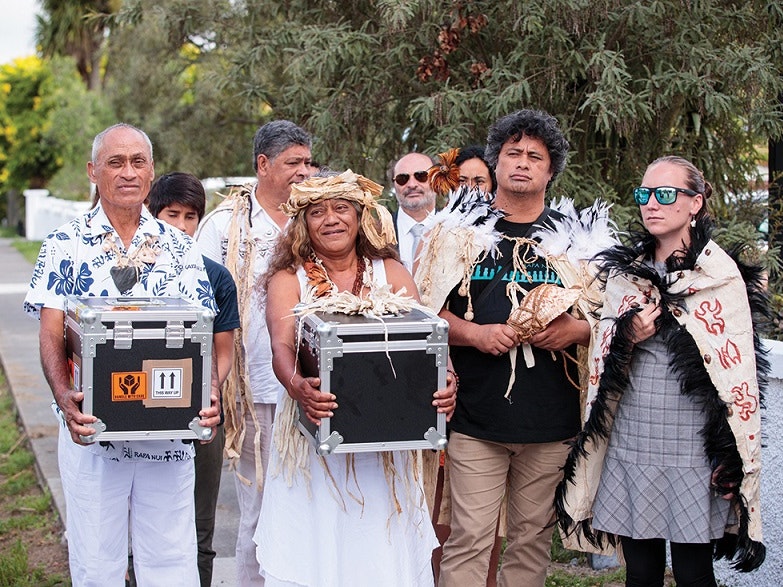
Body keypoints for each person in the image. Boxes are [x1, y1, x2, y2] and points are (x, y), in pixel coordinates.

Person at [24, 123, 221, 586]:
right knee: (97, 561)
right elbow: (51, 332)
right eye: (115, 162)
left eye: (137, 162)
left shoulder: (180, 248)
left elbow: (202, 333)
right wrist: (62, 395)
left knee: (171, 560)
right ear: (94, 171)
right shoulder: (63, 244)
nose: (127, 172)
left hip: (168, 431)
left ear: (151, 173)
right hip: (92, 429)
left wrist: (209, 392)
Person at [556, 156, 768, 585]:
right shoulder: (626, 275)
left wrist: (729, 453)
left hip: (693, 448)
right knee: (641, 571)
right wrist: (626, 334)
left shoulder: (720, 278)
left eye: (666, 194)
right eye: (644, 194)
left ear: (695, 203)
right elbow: (601, 353)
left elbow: (738, 371)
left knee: (693, 572)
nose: (651, 203)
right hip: (634, 439)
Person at [253, 169, 457, 586]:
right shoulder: (287, 279)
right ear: (302, 223)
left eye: (341, 208)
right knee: (319, 547)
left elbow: (429, 342)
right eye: (317, 212)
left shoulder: (391, 273)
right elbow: (281, 346)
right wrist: (298, 387)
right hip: (314, 447)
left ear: (360, 216)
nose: (331, 219)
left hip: (387, 444)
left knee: (380, 548)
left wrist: (448, 378)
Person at [434, 109, 591, 586]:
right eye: (512, 153)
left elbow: (608, 320)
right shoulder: (455, 233)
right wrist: (474, 334)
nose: (522, 163)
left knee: (531, 544)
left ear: (549, 170)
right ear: (496, 162)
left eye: (534, 156)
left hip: (550, 420)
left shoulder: (576, 239)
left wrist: (575, 332)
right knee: (468, 541)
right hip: (475, 418)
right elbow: (426, 313)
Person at [196, 119, 313, 586]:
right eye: (293, 163)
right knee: (260, 514)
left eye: (308, 162)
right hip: (255, 390)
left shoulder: (323, 217)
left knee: (310, 509)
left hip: (317, 389)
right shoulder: (224, 227)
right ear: (263, 165)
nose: (305, 172)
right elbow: (200, 312)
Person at [147, 171, 241, 587]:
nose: (182, 226)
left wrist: (211, 389)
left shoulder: (216, 277)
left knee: (199, 531)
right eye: (172, 214)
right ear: (152, 214)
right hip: (141, 416)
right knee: (146, 532)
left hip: (200, 414)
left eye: (191, 217)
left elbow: (224, 350)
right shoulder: (130, 272)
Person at [392, 152, 437, 271]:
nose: (411, 185)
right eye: (402, 179)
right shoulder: (376, 233)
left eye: (421, 176)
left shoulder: (455, 231)